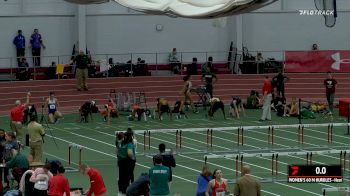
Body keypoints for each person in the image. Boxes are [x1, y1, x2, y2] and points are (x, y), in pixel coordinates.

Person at [117, 128, 136, 194]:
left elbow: (117, 151)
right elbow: (129, 153)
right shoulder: (129, 144)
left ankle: (121, 189)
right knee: (127, 176)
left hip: (121, 161)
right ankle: (126, 190)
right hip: (127, 161)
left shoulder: (121, 143)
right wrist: (132, 158)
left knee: (121, 175)